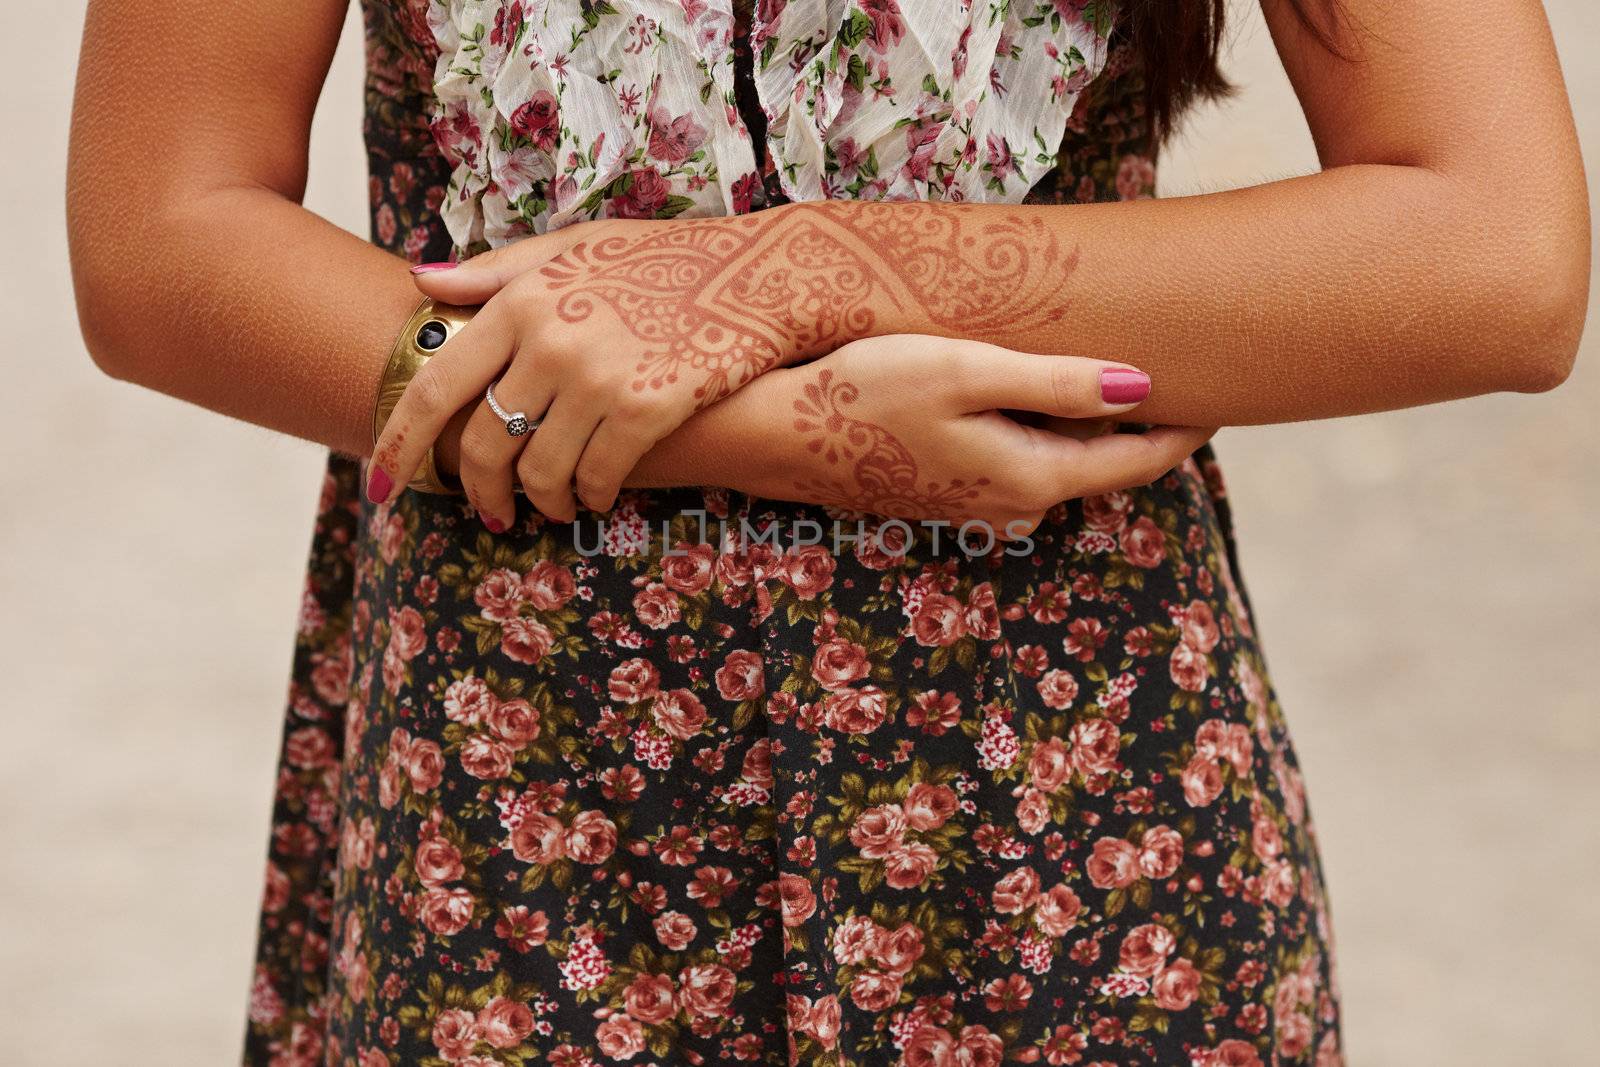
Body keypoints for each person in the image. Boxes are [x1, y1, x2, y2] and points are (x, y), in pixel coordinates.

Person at [66, 1, 1587, 1064]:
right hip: (513, 821)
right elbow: (163, 234)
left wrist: (807, 267)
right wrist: (765, 435)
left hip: (1074, 827)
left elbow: (1492, 254)